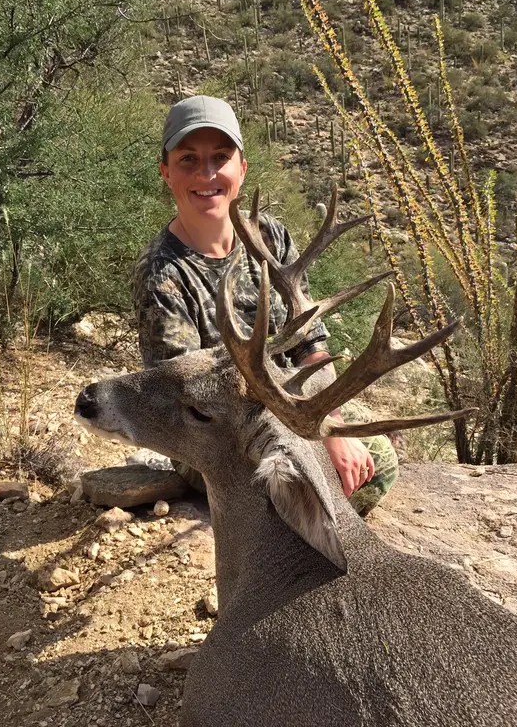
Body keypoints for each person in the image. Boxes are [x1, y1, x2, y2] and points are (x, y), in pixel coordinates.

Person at [132, 95, 398, 515]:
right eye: (188, 159)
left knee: (374, 448)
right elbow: (186, 398)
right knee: (352, 468)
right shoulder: (161, 273)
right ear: (166, 172)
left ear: (242, 169)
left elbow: (310, 346)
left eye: (220, 158)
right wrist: (310, 435)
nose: (206, 173)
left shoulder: (269, 236)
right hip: (214, 437)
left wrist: (329, 423)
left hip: (285, 404)